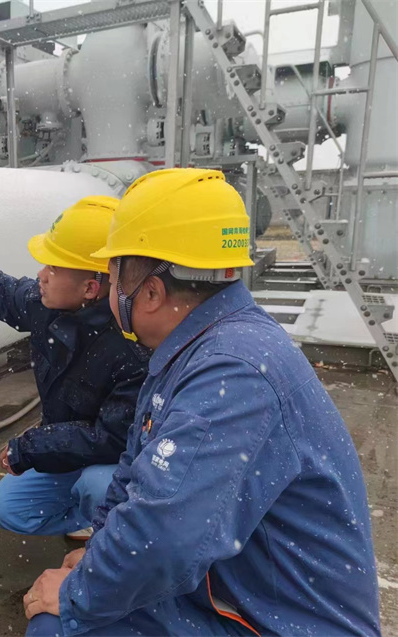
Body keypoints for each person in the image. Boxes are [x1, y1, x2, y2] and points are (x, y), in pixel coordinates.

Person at [23, 168, 380, 636]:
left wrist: (77, 593)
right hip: (244, 588)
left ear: (151, 293)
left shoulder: (231, 374)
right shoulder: (201, 345)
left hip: (281, 621)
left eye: (113, 278)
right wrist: (98, 552)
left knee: (58, 625)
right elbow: (135, 470)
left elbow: (162, 537)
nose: (109, 292)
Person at [0, 196, 148, 539]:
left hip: (115, 460)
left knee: (97, 485)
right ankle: (87, 516)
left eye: (53, 268)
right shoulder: (49, 307)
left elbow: (110, 438)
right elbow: (2, 290)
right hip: (71, 446)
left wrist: (30, 447)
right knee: (6, 507)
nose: (41, 275)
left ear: (90, 287)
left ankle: (110, 534)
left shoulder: (133, 347)